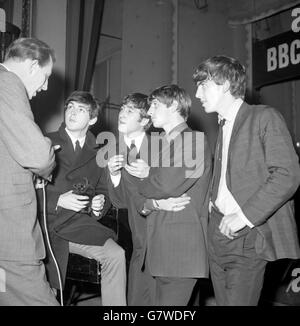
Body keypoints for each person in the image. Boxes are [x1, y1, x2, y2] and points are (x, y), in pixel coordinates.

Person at [193, 55, 300, 306]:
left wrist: (243, 216)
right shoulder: (224, 125)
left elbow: (288, 175)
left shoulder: (264, 117)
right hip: (217, 233)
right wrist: (213, 202)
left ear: (226, 85)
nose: (197, 93)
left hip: (247, 236)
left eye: (203, 85)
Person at [124, 85, 212, 305]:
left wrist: (145, 175)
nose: (149, 111)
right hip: (158, 251)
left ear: (173, 105)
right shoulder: (161, 144)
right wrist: (151, 197)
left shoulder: (194, 141)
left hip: (179, 252)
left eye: (154, 105)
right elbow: (142, 195)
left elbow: (165, 185)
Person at [37, 91, 127, 306]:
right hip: (45, 225)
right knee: (45, 290)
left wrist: (98, 205)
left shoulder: (99, 151)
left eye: (81, 109)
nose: (73, 113)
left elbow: (104, 191)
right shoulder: (45, 141)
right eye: (70, 107)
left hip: (79, 225)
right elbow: (26, 188)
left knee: (116, 255)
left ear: (93, 119)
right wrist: (57, 201)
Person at [106, 93, 191, 305]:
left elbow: (175, 184)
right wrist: (114, 175)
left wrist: (150, 172)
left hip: (166, 235)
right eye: (122, 109)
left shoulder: (163, 145)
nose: (122, 115)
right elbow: (119, 203)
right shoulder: (110, 150)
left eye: (130, 111)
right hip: (137, 240)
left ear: (145, 121)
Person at [0, 38, 58, 305]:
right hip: (9, 237)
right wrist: (46, 146)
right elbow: (37, 155)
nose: (45, 87)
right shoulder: (7, 83)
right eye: (45, 77)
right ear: (33, 66)